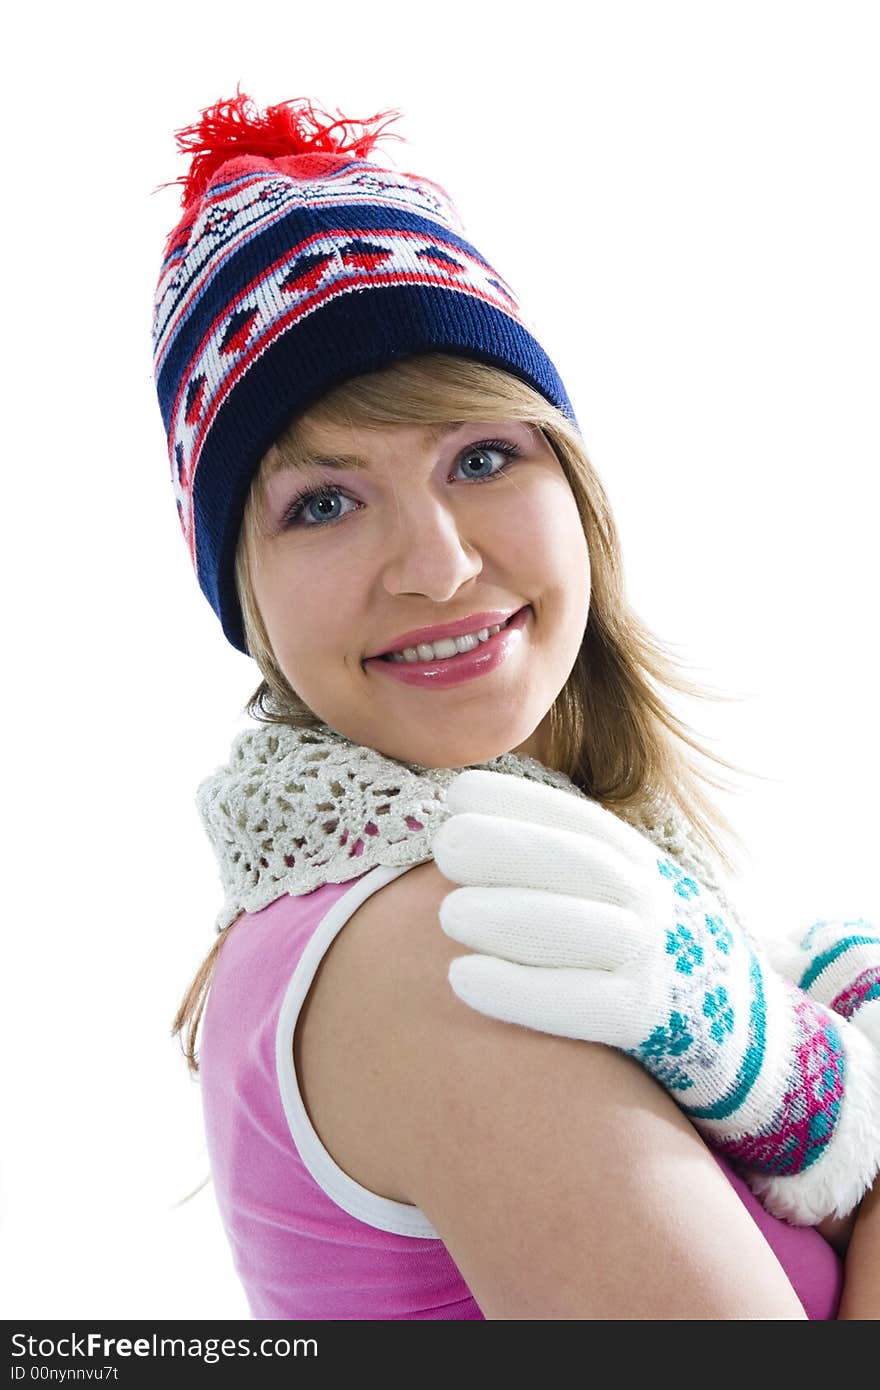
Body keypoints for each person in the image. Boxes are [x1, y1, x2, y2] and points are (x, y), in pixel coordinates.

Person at [154, 92, 880, 1319]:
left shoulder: (560, 873)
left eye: (480, 457)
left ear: (573, 484)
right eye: (322, 502)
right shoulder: (447, 937)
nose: (434, 564)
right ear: (246, 590)